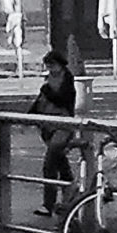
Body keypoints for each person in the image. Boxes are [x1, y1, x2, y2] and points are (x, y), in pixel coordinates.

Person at [28, 49, 77, 216]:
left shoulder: (67, 80)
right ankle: (71, 194)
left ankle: (48, 204)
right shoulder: (49, 79)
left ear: (60, 65)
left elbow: (62, 99)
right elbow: (40, 100)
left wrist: (47, 90)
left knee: (50, 162)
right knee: (61, 162)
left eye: (52, 66)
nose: (49, 69)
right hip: (48, 126)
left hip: (62, 126)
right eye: (47, 66)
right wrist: (29, 116)